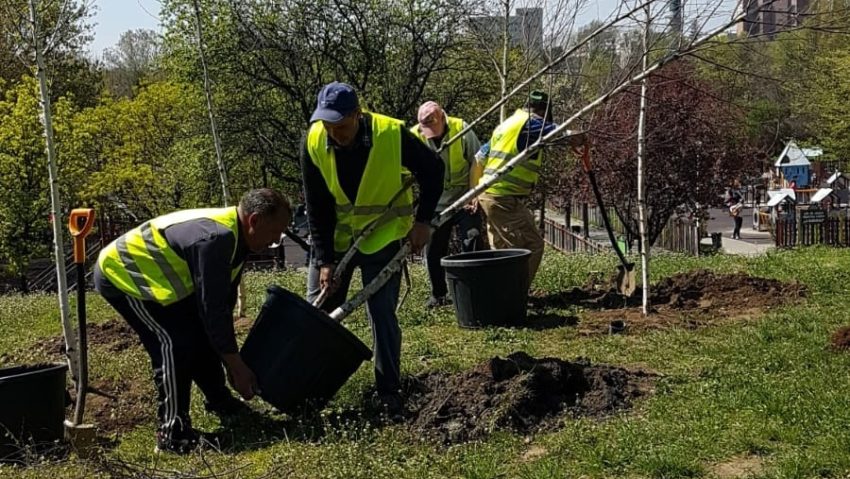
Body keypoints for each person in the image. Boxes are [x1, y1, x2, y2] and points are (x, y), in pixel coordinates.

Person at [94, 189, 292, 453]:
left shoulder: (239, 238)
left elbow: (220, 307)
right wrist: (237, 366)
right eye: (276, 231)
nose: (277, 240)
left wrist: (230, 363)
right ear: (254, 220)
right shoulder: (215, 239)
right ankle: (172, 433)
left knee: (198, 333)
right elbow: (212, 310)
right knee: (173, 343)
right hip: (123, 274)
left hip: (162, 283)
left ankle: (220, 402)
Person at [301, 82, 443, 418]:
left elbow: (433, 171)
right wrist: (324, 261)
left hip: (382, 238)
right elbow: (316, 205)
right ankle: (308, 391)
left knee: (382, 315)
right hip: (336, 240)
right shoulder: (313, 142)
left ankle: (388, 391)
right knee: (317, 313)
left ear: (357, 115)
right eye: (328, 127)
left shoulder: (391, 134)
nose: (336, 134)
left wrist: (423, 222)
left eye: (342, 126)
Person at [470, 90, 584, 287]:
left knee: (501, 251)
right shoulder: (530, 124)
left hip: (489, 196)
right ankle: (516, 293)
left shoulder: (506, 125)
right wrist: (582, 137)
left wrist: (475, 192)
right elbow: (562, 134)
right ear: (543, 111)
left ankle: (495, 296)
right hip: (503, 198)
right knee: (529, 246)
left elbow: (479, 157)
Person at [410, 101, 485, 308]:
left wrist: (475, 193)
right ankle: (438, 295)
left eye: (434, 128)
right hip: (435, 204)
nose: (431, 135)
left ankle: (475, 291)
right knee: (433, 249)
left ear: (443, 118)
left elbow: (478, 161)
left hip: (464, 200)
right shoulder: (414, 136)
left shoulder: (462, 129)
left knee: (472, 240)